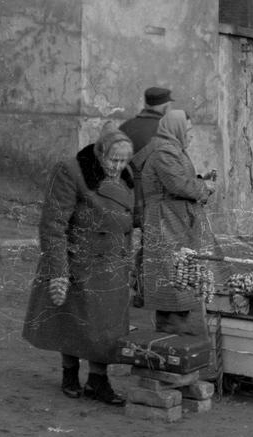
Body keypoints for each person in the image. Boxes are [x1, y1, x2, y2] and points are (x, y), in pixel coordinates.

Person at [22, 123, 134, 406]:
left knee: (105, 328)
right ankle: (69, 374)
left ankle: (98, 380)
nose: (118, 167)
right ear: (99, 153)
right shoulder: (72, 171)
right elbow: (53, 224)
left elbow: (130, 218)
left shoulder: (128, 177)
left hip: (112, 264)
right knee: (73, 321)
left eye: (123, 161)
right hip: (79, 261)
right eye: (113, 160)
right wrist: (59, 271)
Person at [137, 110, 217, 335]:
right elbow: (179, 185)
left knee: (182, 279)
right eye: (188, 131)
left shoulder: (173, 151)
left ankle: (179, 336)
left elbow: (180, 181)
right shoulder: (164, 153)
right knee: (172, 282)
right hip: (166, 224)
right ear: (177, 130)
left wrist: (201, 180)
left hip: (175, 222)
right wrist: (204, 188)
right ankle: (171, 340)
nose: (191, 136)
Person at [120, 87, 174, 308]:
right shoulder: (164, 129)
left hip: (123, 194)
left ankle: (117, 292)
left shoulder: (126, 126)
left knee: (120, 245)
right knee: (150, 246)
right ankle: (143, 292)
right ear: (164, 105)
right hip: (151, 197)